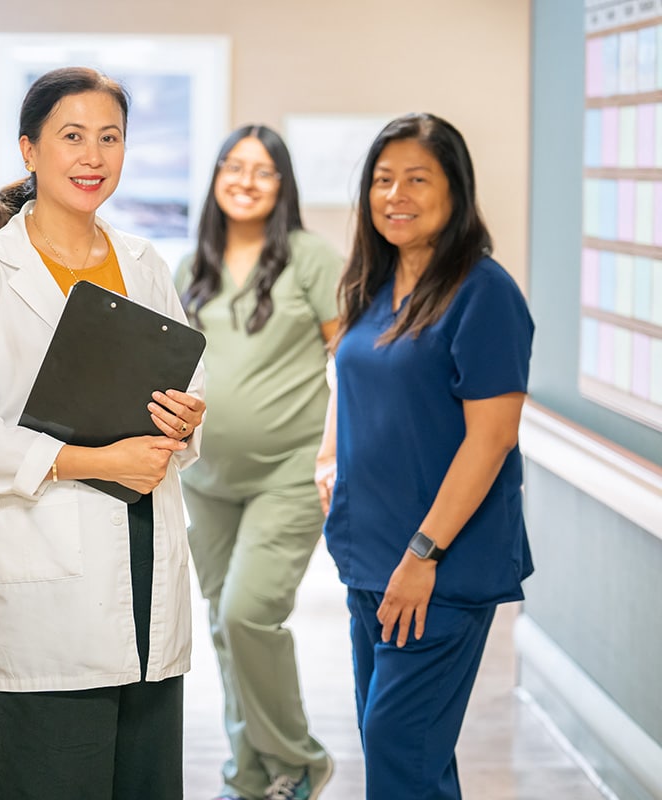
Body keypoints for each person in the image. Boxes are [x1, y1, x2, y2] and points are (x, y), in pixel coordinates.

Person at [0, 66, 206, 800]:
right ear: (29, 149)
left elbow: (187, 382)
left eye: (109, 138)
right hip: (45, 564)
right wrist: (89, 459)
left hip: (146, 551)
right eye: (72, 137)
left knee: (142, 779)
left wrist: (185, 419)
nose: (93, 156)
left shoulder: (145, 264)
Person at [317, 112, 534, 800]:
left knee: (398, 750)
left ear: (455, 190)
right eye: (383, 180)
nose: (395, 194)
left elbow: (492, 436)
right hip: (368, 555)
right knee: (407, 756)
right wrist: (328, 458)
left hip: (438, 567)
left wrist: (423, 554)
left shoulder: (484, 293)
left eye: (417, 178)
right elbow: (349, 376)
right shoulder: (375, 285)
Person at [176, 124, 340, 800]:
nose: (245, 180)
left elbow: (352, 362)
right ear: (215, 177)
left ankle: (300, 762)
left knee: (248, 616)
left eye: (263, 170)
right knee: (223, 626)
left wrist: (333, 453)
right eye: (233, 166)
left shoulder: (310, 258)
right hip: (205, 479)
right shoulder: (193, 268)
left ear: (283, 185)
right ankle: (251, 774)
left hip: (289, 474)